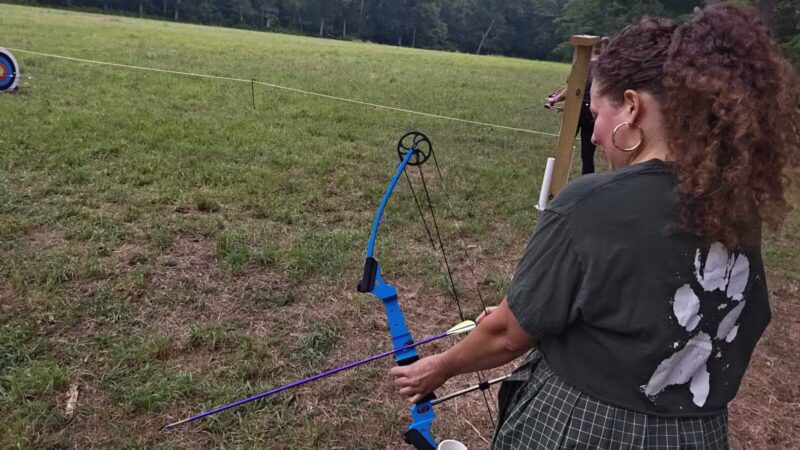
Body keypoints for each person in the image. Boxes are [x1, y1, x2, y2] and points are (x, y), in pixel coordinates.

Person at [392, 3, 799, 448]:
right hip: (699, 435)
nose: (593, 133)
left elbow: (507, 335)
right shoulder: (736, 209)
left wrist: (439, 367)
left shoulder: (590, 203)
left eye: (595, 112)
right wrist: (532, 312)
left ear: (631, 107)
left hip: (588, 428)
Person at [547, 37, 608, 175]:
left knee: (564, 148)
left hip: (576, 110)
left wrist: (555, 98)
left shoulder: (583, 65)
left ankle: (556, 177)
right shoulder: (608, 69)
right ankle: (587, 181)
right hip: (592, 112)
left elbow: (570, 88)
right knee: (587, 155)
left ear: (593, 49)